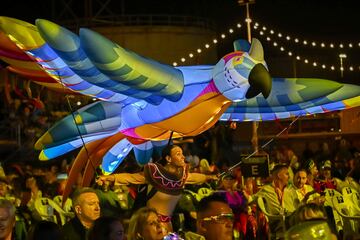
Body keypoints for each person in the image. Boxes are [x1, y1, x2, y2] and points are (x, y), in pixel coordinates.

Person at [97, 145, 217, 233]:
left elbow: (194, 177)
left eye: (182, 153)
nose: (183, 157)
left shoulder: (182, 176)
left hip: (169, 224)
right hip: (151, 225)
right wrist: (110, 178)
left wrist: (209, 177)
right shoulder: (154, 173)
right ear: (168, 159)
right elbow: (132, 178)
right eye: (178, 154)